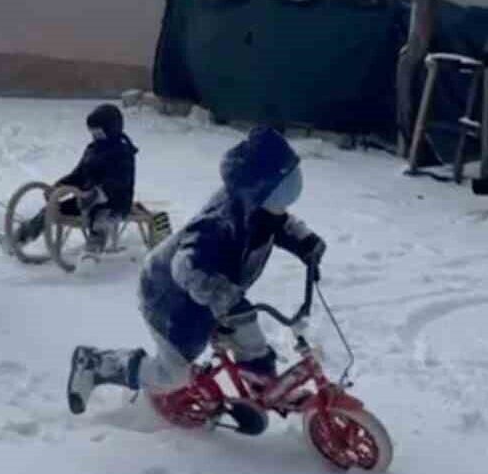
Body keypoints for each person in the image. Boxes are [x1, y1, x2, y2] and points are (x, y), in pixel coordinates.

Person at [66, 126, 326, 414]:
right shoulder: (218, 224)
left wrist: (306, 243)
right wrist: (225, 298)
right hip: (169, 299)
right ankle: (96, 363)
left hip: (210, 295)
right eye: (285, 187)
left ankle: (261, 383)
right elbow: (185, 266)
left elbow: (278, 224)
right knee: (172, 373)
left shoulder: (257, 206)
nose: (290, 194)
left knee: (246, 331)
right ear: (259, 190)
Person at [5, 103, 138, 256]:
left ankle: (92, 253)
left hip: (115, 203)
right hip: (85, 199)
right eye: (93, 132)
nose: (95, 136)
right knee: (50, 210)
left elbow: (119, 182)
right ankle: (19, 238)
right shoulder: (92, 150)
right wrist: (59, 187)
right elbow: (78, 175)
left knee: (100, 219)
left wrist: (98, 194)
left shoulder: (122, 152)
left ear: (112, 130)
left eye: (99, 133)